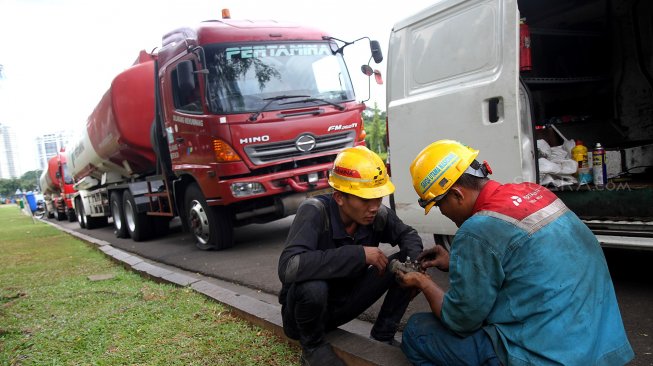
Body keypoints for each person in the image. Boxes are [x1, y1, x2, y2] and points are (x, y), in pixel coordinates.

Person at [396, 139, 634, 365]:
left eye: (439, 204)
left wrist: (423, 282)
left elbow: (460, 321)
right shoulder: (536, 192)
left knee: (417, 332)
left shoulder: (477, 230)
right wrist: (456, 262)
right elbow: (532, 262)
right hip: (602, 344)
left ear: (457, 194)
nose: (443, 212)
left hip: (548, 357)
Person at [278, 146, 423, 366]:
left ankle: (383, 333)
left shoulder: (376, 215)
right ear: (339, 197)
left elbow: (408, 234)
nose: (374, 207)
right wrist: (358, 254)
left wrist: (414, 268)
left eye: (378, 197)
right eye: (365, 199)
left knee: (406, 263)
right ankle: (313, 348)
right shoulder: (314, 211)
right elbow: (289, 267)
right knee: (313, 287)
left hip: (344, 306)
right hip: (303, 317)